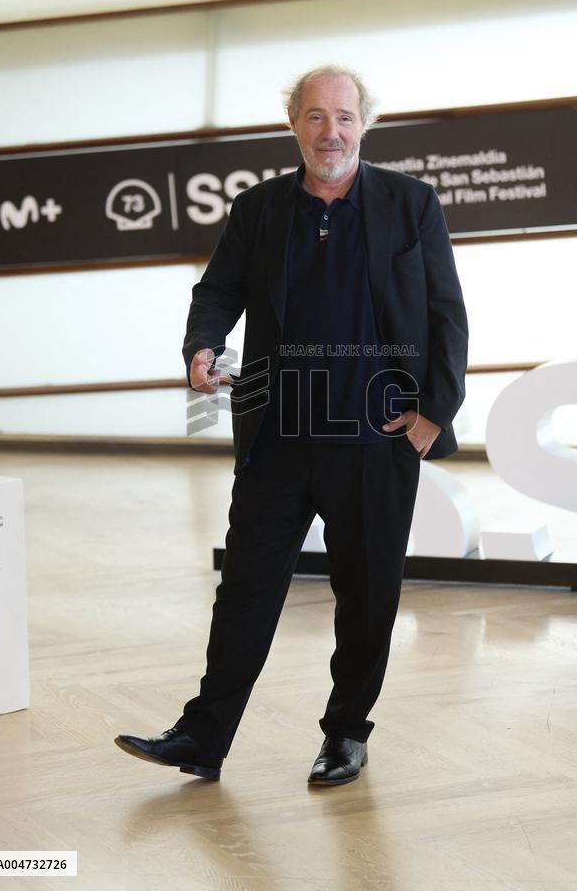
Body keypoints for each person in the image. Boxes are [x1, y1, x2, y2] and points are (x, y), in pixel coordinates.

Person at [115, 65, 469, 785]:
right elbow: (217, 291)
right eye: (314, 117)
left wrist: (435, 411)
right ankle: (203, 737)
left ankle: (346, 733)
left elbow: (445, 313)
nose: (329, 131)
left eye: (342, 117)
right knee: (244, 588)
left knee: (367, 597)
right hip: (279, 437)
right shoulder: (259, 210)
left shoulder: (411, 205)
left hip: (377, 441)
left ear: (362, 124)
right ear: (294, 125)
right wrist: (202, 346)